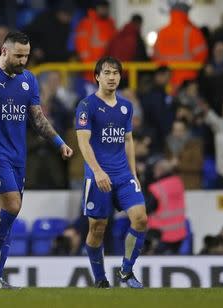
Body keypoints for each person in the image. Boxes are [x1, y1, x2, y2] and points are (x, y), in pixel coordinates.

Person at [0, 31, 73, 289]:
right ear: (4, 50)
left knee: (8, 214)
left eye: (26, 55)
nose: (23, 60)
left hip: (17, 156)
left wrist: (59, 143)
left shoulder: (29, 80)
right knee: (12, 206)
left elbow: (37, 119)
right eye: (18, 55)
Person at [75, 56, 147, 288]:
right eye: (107, 72)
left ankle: (125, 271)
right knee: (97, 229)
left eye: (115, 73)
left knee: (141, 219)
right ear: (97, 77)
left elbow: (128, 140)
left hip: (123, 176)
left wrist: (133, 172)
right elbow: (83, 143)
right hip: (98, 177)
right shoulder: (87, 106)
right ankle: (100, 279)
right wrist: (97, 172)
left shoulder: (126, 106)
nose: (112, 77)